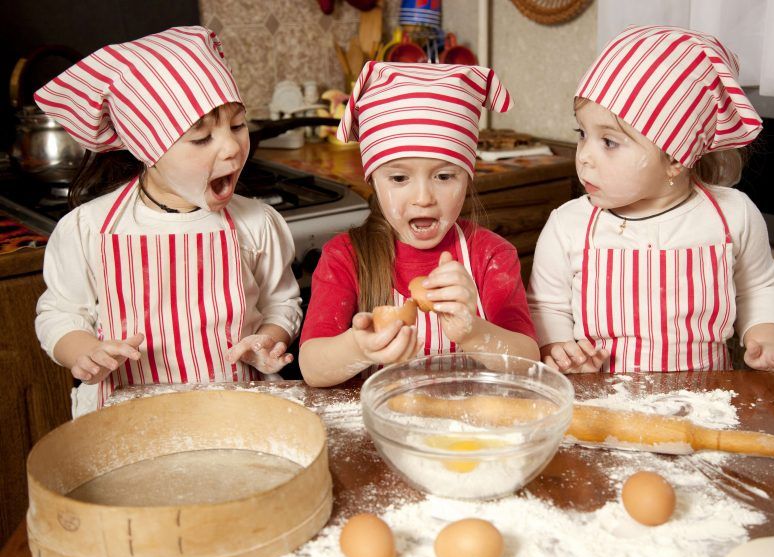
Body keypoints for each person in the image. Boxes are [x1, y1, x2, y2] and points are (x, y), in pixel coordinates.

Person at [34, 26, 302, 417]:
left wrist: (269, 340)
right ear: (148, 148)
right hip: (124, 423)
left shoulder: (256, 222)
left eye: (238, 125)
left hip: (241, 414)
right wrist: (83, 352)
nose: (231, 146)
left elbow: (281, 301)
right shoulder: (88, 229)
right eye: (201, 138)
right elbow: (59, 312)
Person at [527, 25, 774, 385]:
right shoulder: (567, 225)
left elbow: (759, 287)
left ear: (676, 157)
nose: (584, 156)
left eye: (609, 142)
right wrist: (560, 348)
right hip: (600, 403)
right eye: (582, 134)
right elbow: (545, 307)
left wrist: (766, 342)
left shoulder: (731, 215)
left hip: (705, 402)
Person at [298, 62, 539, 387]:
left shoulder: (491, 255)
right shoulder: (345, 257)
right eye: (399, 178)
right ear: (373, 180)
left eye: (443, 176)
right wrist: (360, 347)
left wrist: (473, 331)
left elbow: (528, 364)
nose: (423, 197)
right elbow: (313, 368)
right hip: (384, 431)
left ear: (467, 177)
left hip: (471, 432)